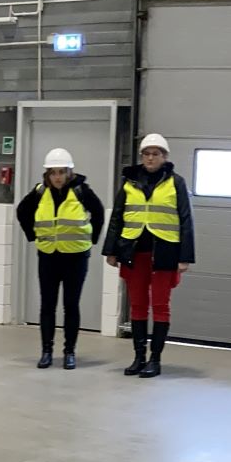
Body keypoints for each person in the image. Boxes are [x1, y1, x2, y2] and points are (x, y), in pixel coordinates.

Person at [99, 131, 195, 378]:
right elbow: (117, 216)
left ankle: (156, 359)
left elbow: (186, 220)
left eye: (156, 154)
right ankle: (139, 357)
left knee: (161, 305)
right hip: (134, 251)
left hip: (164, 252)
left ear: (164, 157)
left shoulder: (176, 183)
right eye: (147, 154)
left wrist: (185, 257)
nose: (151, 158)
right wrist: (110, 250)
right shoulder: (129, 182)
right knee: (138, 305)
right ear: (142, 156)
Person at [14, 146, 101, 368]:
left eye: (61, 172)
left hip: (76, 258)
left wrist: (93, 239)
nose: (57, 177)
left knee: (71, 305)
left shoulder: (81, 191)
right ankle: (46, 352)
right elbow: (22, 211)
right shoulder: (40, 192)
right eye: (53, 173)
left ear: (69, 172)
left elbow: (99, 212)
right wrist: (32, 235)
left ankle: (69, 352)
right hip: (48, 257)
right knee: (47, 305)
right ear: (47, 174)